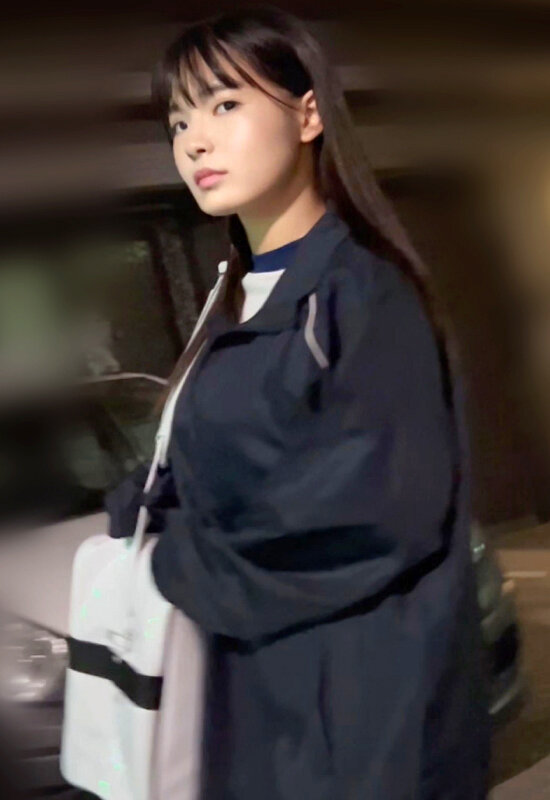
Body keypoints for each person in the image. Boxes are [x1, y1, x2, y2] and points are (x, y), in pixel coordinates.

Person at [105, 5, 492, 798]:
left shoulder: (363, 294)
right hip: (263, 705)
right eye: (178, 121)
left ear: (309, 115)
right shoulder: (235, 300)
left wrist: (174, 560)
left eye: (224, 104)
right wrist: (142, 501)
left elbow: (372, 512)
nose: (194, 141)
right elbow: (224, 463)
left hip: (359, 724)